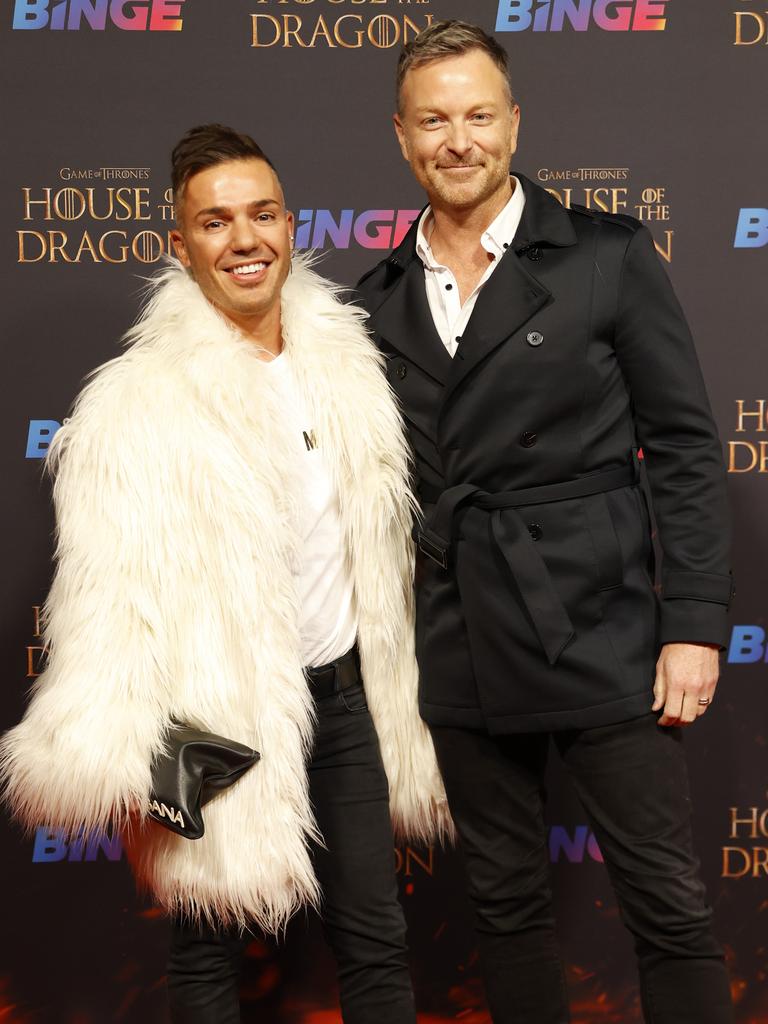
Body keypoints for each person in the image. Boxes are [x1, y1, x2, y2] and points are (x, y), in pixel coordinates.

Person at [0, 123, 449, 1024]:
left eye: (262, 214)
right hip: (212, 718)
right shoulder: (135, 401)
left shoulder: (353, 365)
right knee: (205, 949)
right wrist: (131, 740)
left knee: (375, 939)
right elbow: (103, 597)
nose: (244, 239)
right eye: (215, 222)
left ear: (291, 225)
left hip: (349, 699)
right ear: (181, 243)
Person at [357, 21, 734, 1024]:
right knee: (507, 908)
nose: (459, 139)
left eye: (479, 115)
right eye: (434, 120)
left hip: (603, 622)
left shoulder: (604, 255)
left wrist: (693, 620)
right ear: (401, 136)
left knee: (665, 898)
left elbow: (688, 445)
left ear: (515, 123)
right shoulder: (373, 302)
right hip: (463, 633)